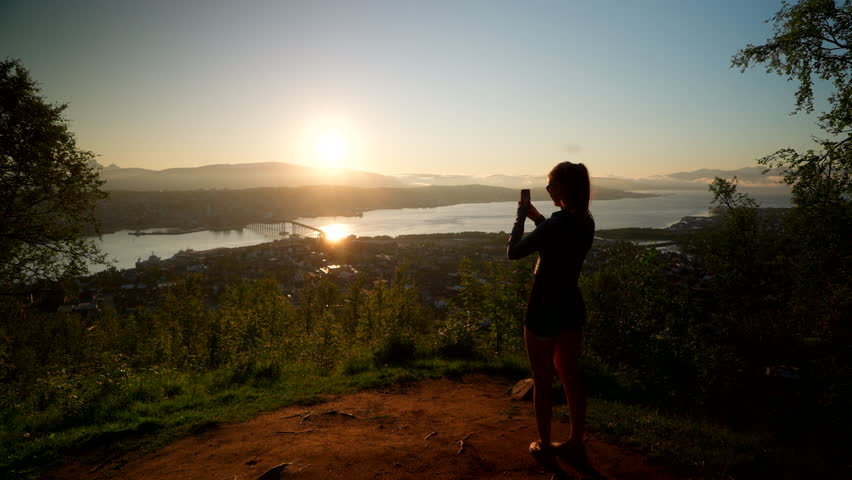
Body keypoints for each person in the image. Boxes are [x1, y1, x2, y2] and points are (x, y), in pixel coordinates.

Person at [507, 161, 595, 472]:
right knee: (570, 376)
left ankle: (544, 446)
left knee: (542, 380)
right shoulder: (584, 221)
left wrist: (521, 216)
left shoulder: (557, 224)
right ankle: (575, 442)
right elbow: (558, 239)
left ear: (564, 188)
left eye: (551, 184)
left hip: (544, 304)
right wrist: (539, 219)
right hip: (571, 303)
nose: (548, 189)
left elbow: (514, 251)